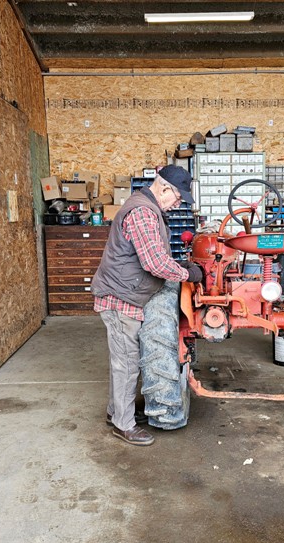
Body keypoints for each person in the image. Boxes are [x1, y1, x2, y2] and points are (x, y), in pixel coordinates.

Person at [91, 165, 204, 446]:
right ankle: (123, 424)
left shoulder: (149, 209)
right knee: (127, 364)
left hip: (129, 294)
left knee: (125, 360)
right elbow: (153, 263)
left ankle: (116, 411)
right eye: (177, 199)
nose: (177, 205)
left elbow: (153, 254)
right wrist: (187, 273)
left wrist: (178, 265)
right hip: (120, 299)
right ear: (164, 188)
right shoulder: (142, 212)